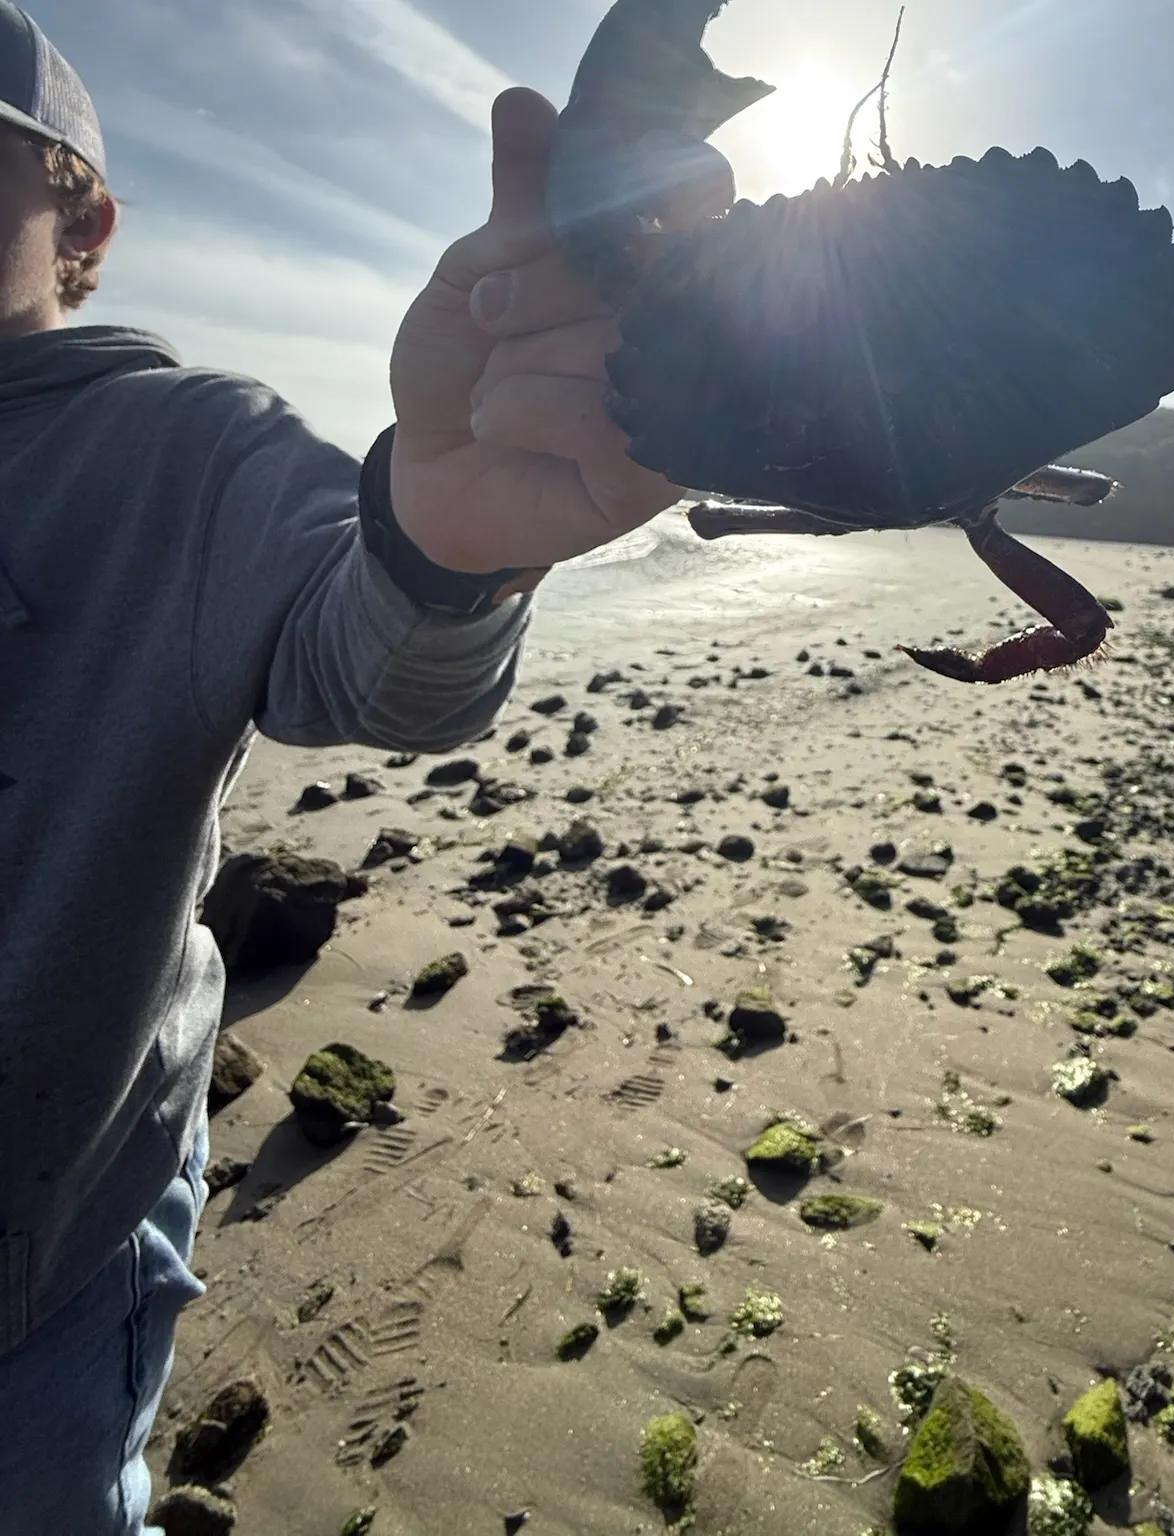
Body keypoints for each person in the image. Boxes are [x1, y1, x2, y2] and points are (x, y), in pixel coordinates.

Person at [0, 5, 694, 1530]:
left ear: (80, 213)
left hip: (37, 1280)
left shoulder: (181, 448)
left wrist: (449, 549)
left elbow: (360, 656)